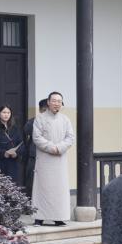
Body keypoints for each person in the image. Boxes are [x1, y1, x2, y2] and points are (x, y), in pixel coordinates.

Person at [31, 91, 74, 226]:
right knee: (42, 188)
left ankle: (58, 217)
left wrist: (59, 148)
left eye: (59, 101)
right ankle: (39, 217)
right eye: (54, 101)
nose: (56, 104)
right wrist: (51, 147)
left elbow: (70, 138)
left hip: (59, 159)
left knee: (59, 189)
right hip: (45, 159)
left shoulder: (65, 119)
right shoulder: (40, 119)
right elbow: (37, 137)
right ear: (48, 102)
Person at [0, 105, 24, 184]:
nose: (6, 115)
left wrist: (16, 153)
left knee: (12, 186)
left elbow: (22, 144)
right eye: (4, 112)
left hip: (12, 164)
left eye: (8, 113)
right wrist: (3, 153)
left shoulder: (15, 128)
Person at [22, 98, 47, 197]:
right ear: (40, 110)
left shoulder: (57, 121)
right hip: (34, 156)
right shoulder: (33, 121)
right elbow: (26, 130)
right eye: (44, 110)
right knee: (31, 181)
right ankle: (30, 201)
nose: (46, 113)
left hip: (49, 156)